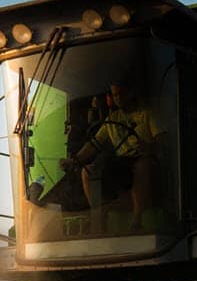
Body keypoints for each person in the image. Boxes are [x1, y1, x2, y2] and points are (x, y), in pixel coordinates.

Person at [59, 83, 159, 233]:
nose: (118, 98)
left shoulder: (147, 114)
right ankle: (98, 218)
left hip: (143, 159)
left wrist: (149, 147)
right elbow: (94, 144)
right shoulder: (112, 118)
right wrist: (75, 161)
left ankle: (137, 221)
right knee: (88, 172)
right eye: (115, 95)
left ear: (130, 93)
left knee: (142, 166)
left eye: (121, 94)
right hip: (120, 164)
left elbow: (161, 141)